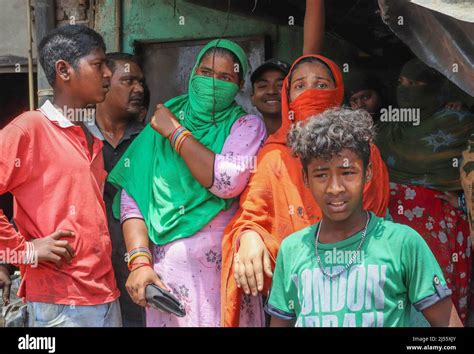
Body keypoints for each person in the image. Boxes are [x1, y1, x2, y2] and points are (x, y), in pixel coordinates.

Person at [221, 54, 390, 327]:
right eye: (300, 86)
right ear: (289, 97)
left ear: (337, 94)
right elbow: (252, 213)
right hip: (296, 293)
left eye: (321, 85)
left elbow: (368, 220)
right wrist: (250, 235)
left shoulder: (365, 152)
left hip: (361, 288)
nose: (311, 93)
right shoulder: (273, 156)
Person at [108, 39, 267, 327]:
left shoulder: (246, 127)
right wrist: (140, 263)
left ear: (240, 83)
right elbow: (134, 197)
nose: (213, 83)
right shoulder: (165, 116)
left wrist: (175, 133)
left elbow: (225, 181)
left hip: (224, 281)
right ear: (193, 73)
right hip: (168, 282)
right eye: (205, 73)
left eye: (225, 77)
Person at [265, 107, 463, 327]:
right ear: (305, 178)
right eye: (321, 175)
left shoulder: (402, 243)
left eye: (347, 172)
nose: (335, 188)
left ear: (368, 172)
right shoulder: (293, 249)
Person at [0, 24, 121, 327]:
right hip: (59, 304)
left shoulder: (90, 136)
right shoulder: (30, 128)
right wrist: (22, 251)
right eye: (98, 64)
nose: (108, 73)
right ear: (64, 70)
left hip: (105, 295)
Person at [377, 58, 474, 323]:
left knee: (439, 303)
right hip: (392, 225)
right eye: (401, 83)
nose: (406, 90)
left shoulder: (459, 121)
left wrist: (463, 201)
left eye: (415, 83)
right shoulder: (391, 125)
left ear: (435, 86)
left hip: (440, 227)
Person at [94, 52, 146, 327]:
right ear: (104, 82)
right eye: (128, 81)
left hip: (139, 267)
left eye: (140, 82)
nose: (138, 88)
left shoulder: (150, 139)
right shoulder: (77, 136)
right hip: (87, 276)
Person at [250, 0, 325, 136]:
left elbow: (311, 54)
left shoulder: (308, 133)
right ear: (252, 98)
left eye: (280, 85)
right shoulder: (246, 137)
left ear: (293, 95)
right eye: (262, 86)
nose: (271, 91)